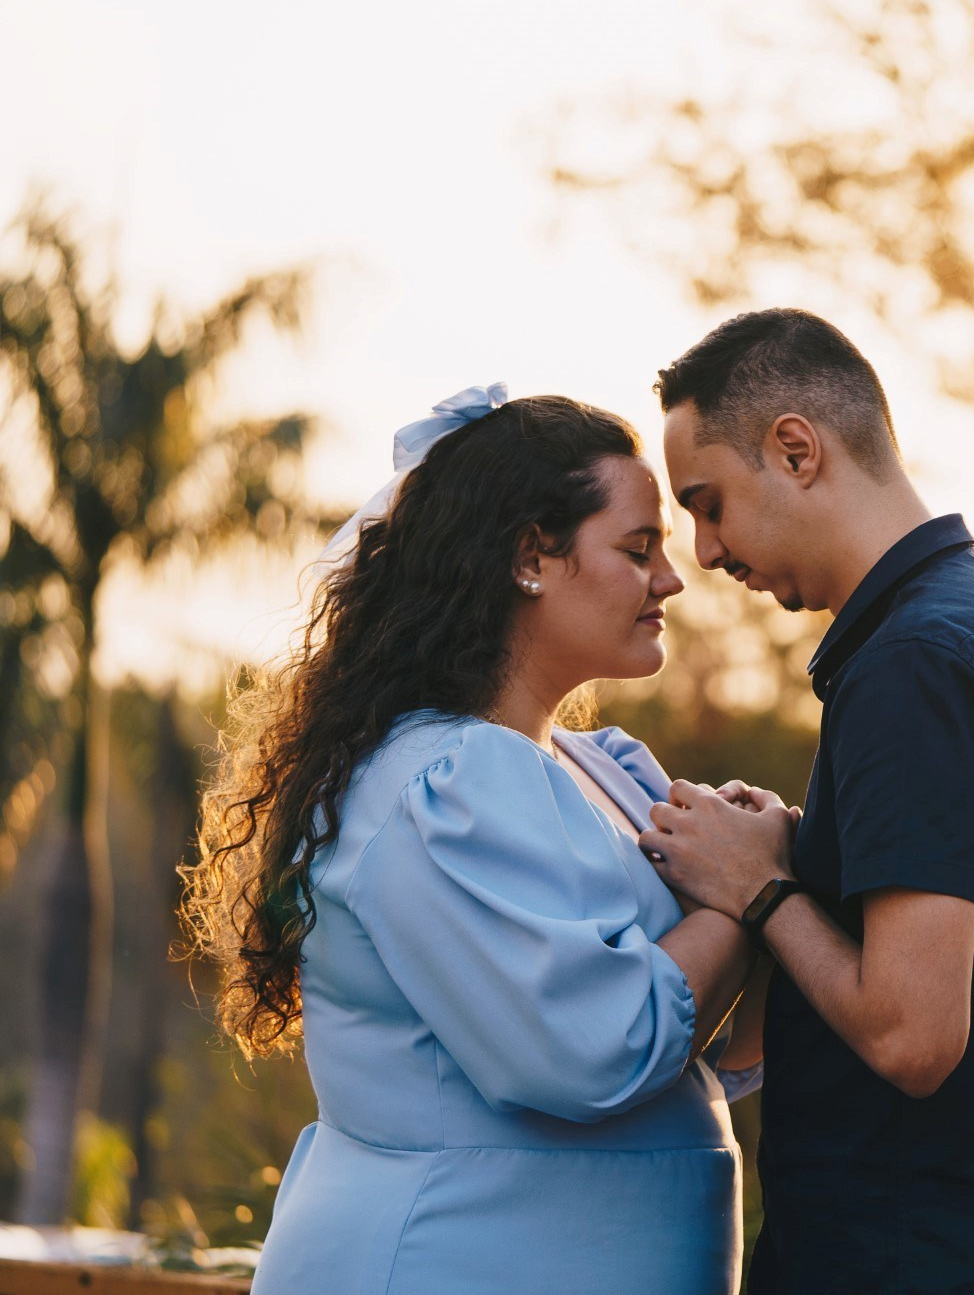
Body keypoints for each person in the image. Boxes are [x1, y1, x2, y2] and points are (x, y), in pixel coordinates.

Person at [181, 385, 763, 1294]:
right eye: (637, 548)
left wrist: (755, 874)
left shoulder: (604, 769)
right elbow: (593, 1044)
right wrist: (749, 893)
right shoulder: (442, 782)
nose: (670, 578)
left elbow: (709, 1037)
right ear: (532, 556)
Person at [642, 310, 974, 1293]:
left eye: (708, 503)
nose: (704, 550)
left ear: (796, 449)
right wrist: (807, 853)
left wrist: (761, 887)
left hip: (927, 1260)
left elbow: (914, 1034)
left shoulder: (912, 665)